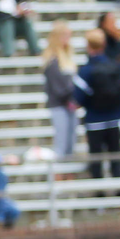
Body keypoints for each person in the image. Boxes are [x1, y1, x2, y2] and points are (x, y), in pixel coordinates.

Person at [73, 29, 120, 181]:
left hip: (94, 121)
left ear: (88, 45)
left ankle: (99, 196)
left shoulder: (86, 71)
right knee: (116, 158)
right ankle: (119, 194)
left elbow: (77, 99)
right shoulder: (117, 67)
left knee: (96, 160)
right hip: (115, 119)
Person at [42, 20, 79, 160]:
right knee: (61, 143)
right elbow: (58, 88)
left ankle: (68, 175)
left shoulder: (67, 57)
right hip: (59, 104)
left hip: (70, 104)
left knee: (71, 143)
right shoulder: (52, 61)